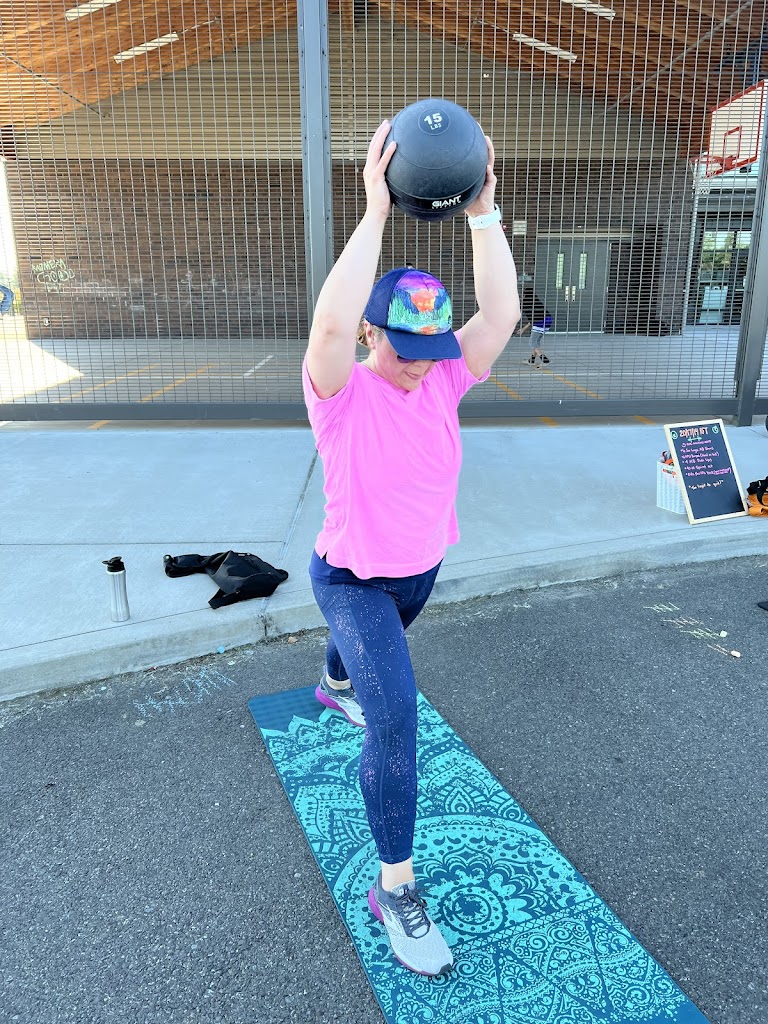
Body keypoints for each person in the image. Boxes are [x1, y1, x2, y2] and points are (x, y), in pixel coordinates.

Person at [302, 120, 520, 977]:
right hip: (350, 579)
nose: (421, 367)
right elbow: (327, 321)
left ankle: (332, 682)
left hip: (419, 572)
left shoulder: (444, 376)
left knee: (361, 666)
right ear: (371, 335)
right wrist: (375, 208)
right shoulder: (339, 394)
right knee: (395, 719)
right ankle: (395, 888)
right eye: (404, 349)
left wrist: (483, 213)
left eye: (432, 352)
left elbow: (501, 314)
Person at [515, 277, 552, 365]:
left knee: (532, 343)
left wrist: (523, 329)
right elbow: (533, 319)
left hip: (540, 322)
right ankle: (531, 360)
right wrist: (523, 329)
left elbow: (533, 319)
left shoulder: (526, 304)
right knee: (536, 342)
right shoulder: (536, 302)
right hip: (548, 320)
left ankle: (545, 360)